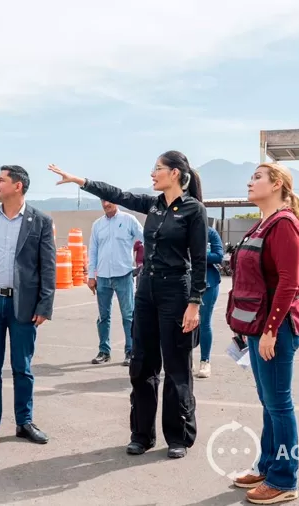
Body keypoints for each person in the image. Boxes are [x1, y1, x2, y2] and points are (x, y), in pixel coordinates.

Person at [48, 150, 207, 459]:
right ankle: (141, 435)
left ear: (175, 173)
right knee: (142, 364)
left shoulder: (193, 210)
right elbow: (116, 193)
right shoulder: (152, 205)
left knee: (177, 368)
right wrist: (79, 180)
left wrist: (194, 303)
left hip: (177, 290)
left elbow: (199, 261)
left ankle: (178, 437)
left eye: (158, 168)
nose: (153, 173)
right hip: (146, 288)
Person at [226, 162, 299, 505]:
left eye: (257, 177)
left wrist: (271, 330)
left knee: (279, 404)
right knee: (268, 403)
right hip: (258, 327)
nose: (250, 182)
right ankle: (267, 464)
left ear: (276, 184)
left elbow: (289, 283)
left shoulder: (284, 225)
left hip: (276, 329)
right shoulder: (262, 224)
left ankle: (283, 479)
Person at [0, 165, 57, 450]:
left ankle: (24, 423)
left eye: (0, 180)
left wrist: (45, 305)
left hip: (24, 307)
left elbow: (48, 266)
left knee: (22, 368)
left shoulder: (40, 221)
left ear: (17, 186)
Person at [88, 198, 144, 367]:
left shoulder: (128, 220)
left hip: (124, 275)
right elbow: (93, 251)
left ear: (116, 202)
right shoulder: (97, 225)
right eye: (103, 201)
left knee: (128, 316)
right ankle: (104, 351)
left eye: (109, 201)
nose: (106, 205)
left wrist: (150, 261)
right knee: (103, 317)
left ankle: (130, 351)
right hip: (103, 277)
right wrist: (91, 276)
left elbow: (147, 238)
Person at [196, 225, 224, 379]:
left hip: (208, 283)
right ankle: (185, 360)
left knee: (204, 322)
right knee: (183, 323)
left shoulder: (209, 232)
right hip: (183, 282)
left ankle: (205, 361)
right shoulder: (178, 228)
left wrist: (198, 254)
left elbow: (219, 256)